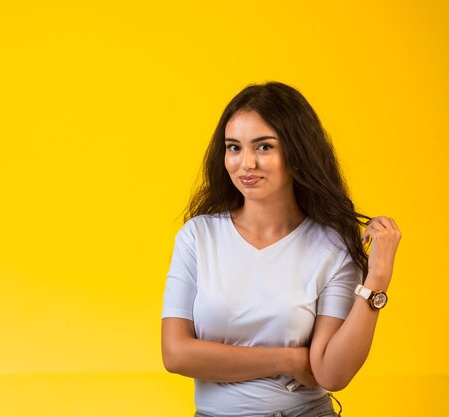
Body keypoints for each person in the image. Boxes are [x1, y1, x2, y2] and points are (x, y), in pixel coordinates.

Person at [161, 82, 401, 417]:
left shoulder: (330, 246)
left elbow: (332, 373)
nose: (246, 164)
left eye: (263, 147)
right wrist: (288, 358)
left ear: (297, 152)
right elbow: (175, 354)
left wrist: (377, 280)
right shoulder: (198, 237)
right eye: (234, 147)